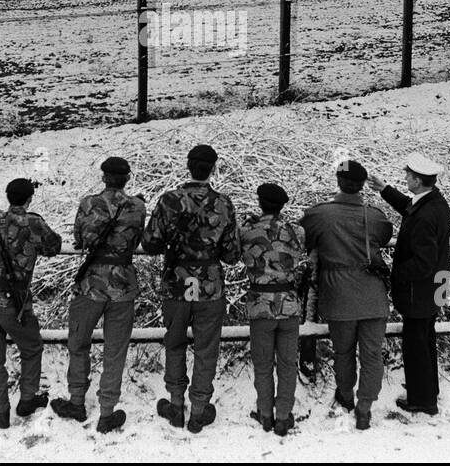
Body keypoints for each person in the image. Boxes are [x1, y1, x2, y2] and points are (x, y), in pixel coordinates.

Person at [142, 144, 239, 433]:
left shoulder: (170, 200)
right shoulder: (224, 204)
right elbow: (232, 254)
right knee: (207, 347)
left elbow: (150, 242)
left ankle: (175, 405)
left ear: (188, 165)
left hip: (178, 283)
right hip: (208, 285)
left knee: (174, 341)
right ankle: (198, 410)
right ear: (213, 168)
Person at [52, 156, 146, 433]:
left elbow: (80, 240)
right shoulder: (138, 207)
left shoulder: (88, 203)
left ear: (103, 177)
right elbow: (137, 240)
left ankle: (77, 401)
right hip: (122, 285)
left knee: (78, 342)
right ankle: (107, 412)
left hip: (90, 285)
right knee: (115, 350)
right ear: (127, 178)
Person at [300, 159, 393, 430]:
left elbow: (302, 236)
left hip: (338, 293)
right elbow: (385, 236)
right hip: (373, 294)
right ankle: (365, 407)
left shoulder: (319, 215)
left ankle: (347, 397)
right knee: (372, 354)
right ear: (362, 185)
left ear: (338, 183)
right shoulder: (374, 215)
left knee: (343, 352)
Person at [0, 177, 62, 429]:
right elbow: (54, 246)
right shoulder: (34, 223)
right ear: (30, 198)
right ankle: (27, 399)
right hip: (13, 302)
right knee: (31, 348)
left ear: (7, 195)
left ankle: (1, 408)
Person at [369, 153, 450, 416]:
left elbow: (423, 263)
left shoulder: (426, 215)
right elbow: (408, 207)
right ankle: (428, 391)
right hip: (433, 288)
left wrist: (396, 273)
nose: (405, 177)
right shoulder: (433, 202)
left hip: (420, 290)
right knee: (425, 339)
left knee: (416, 344)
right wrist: (385, 190)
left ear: (417, 180)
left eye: (408, 175)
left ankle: (421, 401)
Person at [238, 182, 308, 437]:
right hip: (289, 304)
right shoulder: (296, 231)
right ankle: (283, 415)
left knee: (263, 363)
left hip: (260, 305)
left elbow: (236, 251)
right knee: (288, 364)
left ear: (259, 202)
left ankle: (265, 413)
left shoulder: (247, 230)